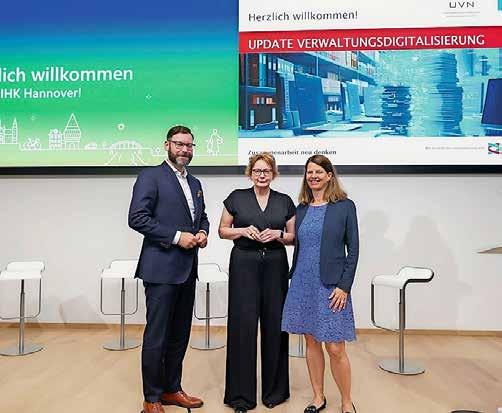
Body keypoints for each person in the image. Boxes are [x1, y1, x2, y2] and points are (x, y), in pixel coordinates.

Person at [128, 125, 209, 413]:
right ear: (167, 145)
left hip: (187, 270)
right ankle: (151, 398)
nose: (184, 149)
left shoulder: (195, 182)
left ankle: (172, 389)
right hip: (160, 270)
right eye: (179, 144)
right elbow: (137, 218)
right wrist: (176, 237)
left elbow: (202, 217)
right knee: (157, 336)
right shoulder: (150, 177)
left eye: (189, 145)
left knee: (179, 335)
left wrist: (202, 232)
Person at [219, 152, 296, 413]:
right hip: (244, 264)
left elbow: (293, 237)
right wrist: (242, 230)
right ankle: (241, 396)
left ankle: (275, 392)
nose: (262, 175)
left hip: (275, 265)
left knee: (275, 325)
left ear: (273, 174)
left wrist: (279, 234)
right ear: (250, 173)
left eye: (266, 171)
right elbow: (222, 230)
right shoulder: (236, 197)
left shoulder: (284, 201)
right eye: (257, 171)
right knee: (242, 327)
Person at [282, 155, 359, 413]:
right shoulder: (301, 208)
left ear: (329, 175)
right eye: (309, 172)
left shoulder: (345, 206)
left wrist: (344, 286)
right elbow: (297, 242)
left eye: (318, 172)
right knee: (312, 341)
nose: (313, 176)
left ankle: (346, 402)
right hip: (303, 283)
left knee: (335, 347)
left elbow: (354, 250)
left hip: (332, 286)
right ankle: (318, 397)